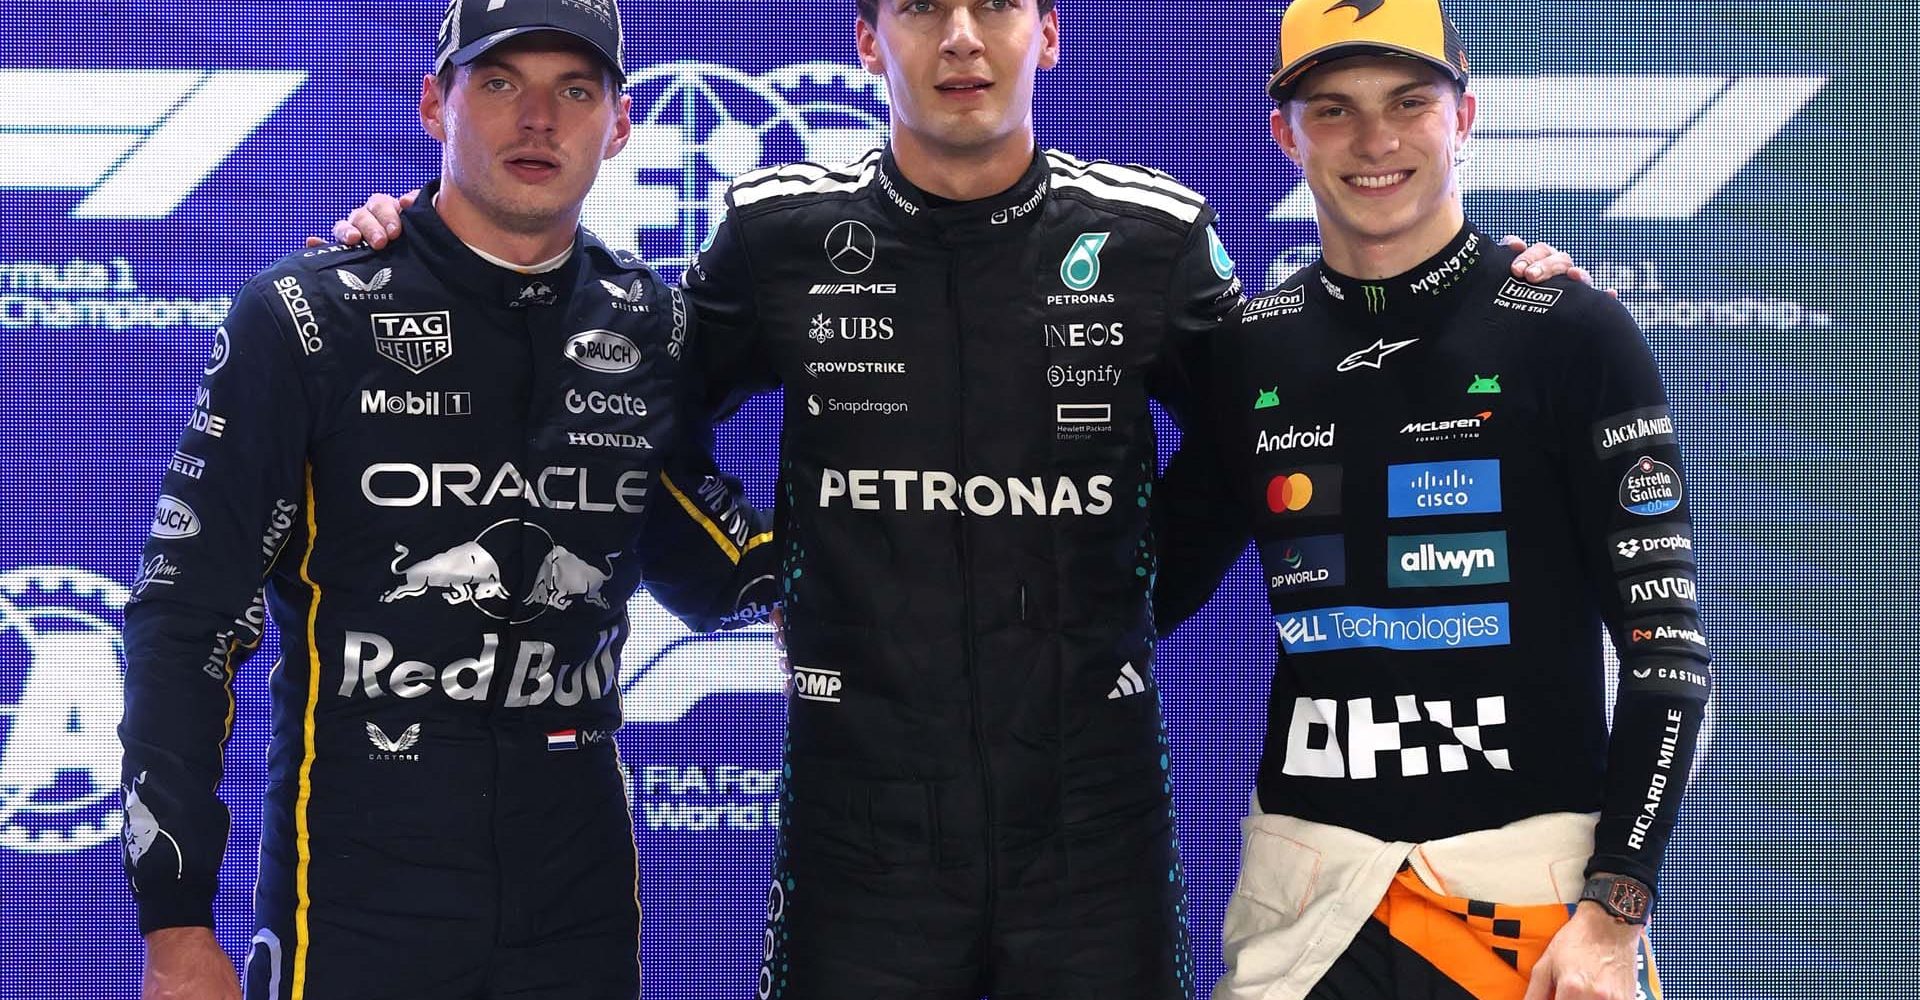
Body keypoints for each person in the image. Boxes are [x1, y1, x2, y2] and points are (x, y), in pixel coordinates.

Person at [325, 1, 1583, 995]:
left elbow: (1283, 410)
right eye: (922, 7)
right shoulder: (780, 233)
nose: (963, 38)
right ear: (870, 40)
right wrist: (753, 572)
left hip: (1091, 826)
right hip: (861, 829)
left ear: (1052, 32)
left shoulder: (1150, 236)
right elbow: (634, 421)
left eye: (996, 5)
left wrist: (1487, 291)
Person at [119, 2, 776, 998]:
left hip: (579, 912)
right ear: (435, 103)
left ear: (622, 123)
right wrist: (175, 925)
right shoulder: (307, 316)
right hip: (353, 909)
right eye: (502, 82)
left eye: (576, 89)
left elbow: (704, 565)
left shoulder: (650, 326)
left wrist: (837, 566)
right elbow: (185, 619)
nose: (539, 119)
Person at [1151, 1, 1712, 998]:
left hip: (1533, 906)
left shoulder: (1572, 328)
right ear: (1285, 133)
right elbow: (1135, 594)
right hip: (1307, 901)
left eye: (1410, 101)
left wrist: (1613, 909)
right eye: (1334, 110)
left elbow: (1666, 654)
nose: (1376, 141)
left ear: (1465, 114)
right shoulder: (1250, 352)